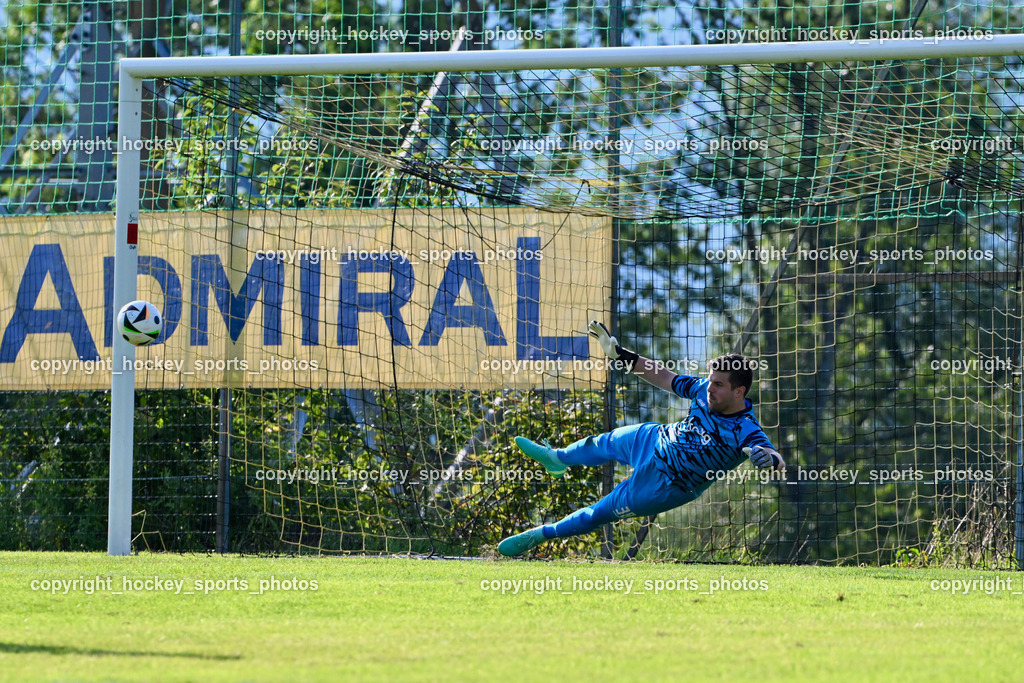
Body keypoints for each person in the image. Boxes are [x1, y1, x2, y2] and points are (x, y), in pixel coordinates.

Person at [498, 321, 785, 557]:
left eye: (718, 385)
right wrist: (620, 355)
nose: (709, 388)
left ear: (740, 392)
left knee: (600, 513)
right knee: (602, 443)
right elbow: (662, 376)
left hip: (667, 486)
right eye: (710, 380)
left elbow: (776, 459)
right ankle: (556, 459)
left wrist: (768, 459)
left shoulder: (745, 428)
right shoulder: (701, 390)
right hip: (654, 439)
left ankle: (538, 535)